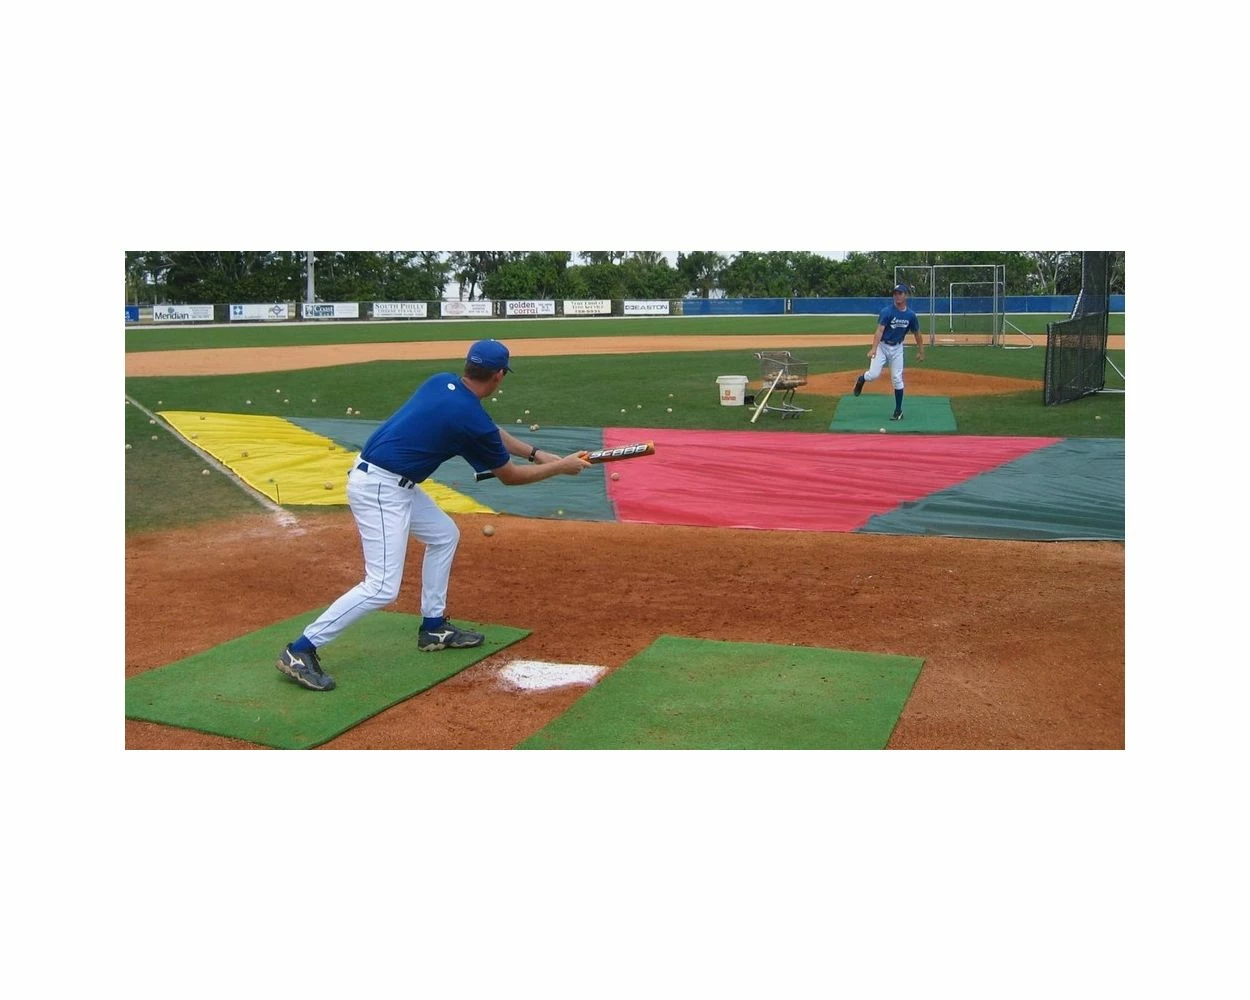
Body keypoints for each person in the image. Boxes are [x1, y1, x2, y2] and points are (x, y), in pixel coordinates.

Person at [276, 339, 591, 692]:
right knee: (381, 587)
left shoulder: (442, 382)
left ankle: (433, 627)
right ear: (499, 376)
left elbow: (489, 430)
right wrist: (560, 467)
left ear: (469, 366)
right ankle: (300, 649)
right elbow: (509, 477)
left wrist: (537, 454)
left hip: (393, 483)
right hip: (380, 489)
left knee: (444, 535)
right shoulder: (469, 418)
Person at [853, 282, 925, 420]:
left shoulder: (910, 315)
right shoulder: (887, 311)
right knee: (873, 375)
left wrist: (921, 350)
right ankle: (861, 379)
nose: (897, 296)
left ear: (906, 295)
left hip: (897, 348)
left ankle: (898, 411)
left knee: (897, 378)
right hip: (882, 346)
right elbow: (879, 331)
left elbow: (917, 333)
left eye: (900, 293)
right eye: (895, 294)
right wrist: (874, 348)